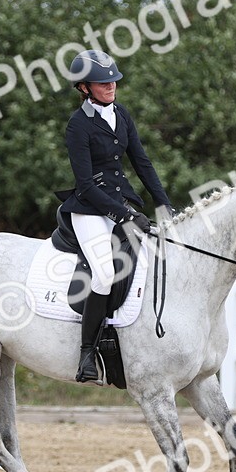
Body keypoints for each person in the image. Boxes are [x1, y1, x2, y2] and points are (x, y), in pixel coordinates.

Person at [62, 49, 173, 384]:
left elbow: (141, 162)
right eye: (102, 82)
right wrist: (124, 215)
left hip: (121, 200)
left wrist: (163, 202)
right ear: (83, 87)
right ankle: (87, 354)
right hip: (90, 209)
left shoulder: (121, 114)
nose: (111, 86)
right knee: (106, 273)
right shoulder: (77, 125)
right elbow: (84, 183)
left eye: (113, 80)